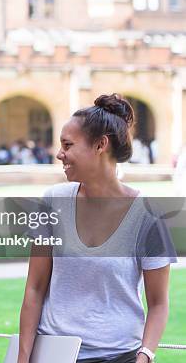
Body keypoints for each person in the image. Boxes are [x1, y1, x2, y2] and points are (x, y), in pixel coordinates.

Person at [18, 94, 176, 363]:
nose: (59, 154)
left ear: (100, 145)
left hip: (119, 357)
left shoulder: (148, 216)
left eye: (68, 145)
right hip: (53, 354)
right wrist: (22, 359)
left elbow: (159, 303)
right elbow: (34, 288)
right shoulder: (52, 201)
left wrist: (145, 356)